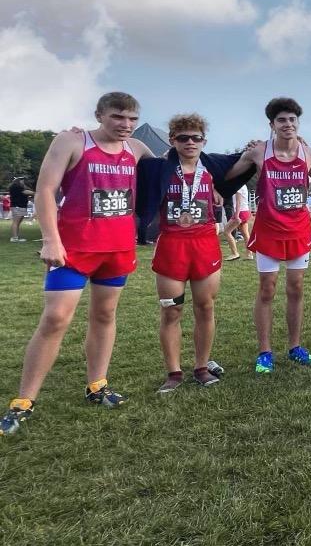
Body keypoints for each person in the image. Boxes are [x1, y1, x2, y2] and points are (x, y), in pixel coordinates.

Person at [1, 92, 153, 436]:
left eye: (132, 119)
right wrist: (51, 239)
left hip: (115, 250)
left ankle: (97, 384)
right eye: (117, 117)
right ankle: (24, 400)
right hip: (73, 250)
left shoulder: (139, 150)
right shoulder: (72, 141)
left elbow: (171, 169)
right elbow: (44, 191)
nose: (125, 125)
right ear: (99, 115)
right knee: (55, 319)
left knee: (104, 315)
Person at [136, 113, 254, 392]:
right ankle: (173, 372)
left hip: (204, 246)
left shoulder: (214, 166)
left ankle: (201, 366)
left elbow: (250, 157)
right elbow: (125, 149)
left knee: (205, 307)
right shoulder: (159, 167)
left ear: (204, 140)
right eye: (183, 137)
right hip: (172, 247)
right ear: (172, 139)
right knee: (171, 311)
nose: (190, 142)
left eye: (196, 137)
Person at [229, 97, 311, 374]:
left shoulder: (306, 152)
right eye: (282, 120)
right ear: (272, 125)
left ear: (298, 123)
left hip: (298, 230)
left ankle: (295, 347)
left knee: (296, 289)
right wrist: (242, 154)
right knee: (267, 289)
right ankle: (265, 352)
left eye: (292, 119)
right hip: (270, 230)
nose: (288, 124)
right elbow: (231, 175)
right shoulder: (260, 152)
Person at [222, 188, 253, 261]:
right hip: (245, 211)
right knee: (245, 234)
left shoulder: (239, 187)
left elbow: (238, 202)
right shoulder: (244, 186)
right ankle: (249, 254)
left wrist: (236, 215)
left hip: (240, 212)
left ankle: (234, 253)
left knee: (226, 231)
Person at [8, 176, 34, 242]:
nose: (24, 181)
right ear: (19, 180)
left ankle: (16, 237)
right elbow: (26, 192)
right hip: (18, 206)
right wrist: (35, 193)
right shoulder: (16, 187)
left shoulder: (16, 186)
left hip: (20, 206)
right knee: (16, 222)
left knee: (17, 222)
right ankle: (14, 238)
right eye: (23, 180)